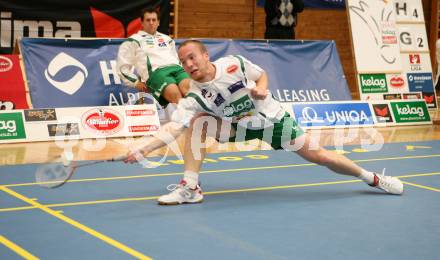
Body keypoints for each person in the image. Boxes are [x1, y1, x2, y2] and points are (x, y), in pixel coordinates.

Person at [124, 39, 404, 205]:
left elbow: (261, 75)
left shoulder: (233, 64)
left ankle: (374, 179)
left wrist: (261, 88)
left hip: (272, 120)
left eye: (192, 57)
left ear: (205, 56)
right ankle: (190, 187)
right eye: (183, 62)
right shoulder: (194, 95)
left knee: (319, 155)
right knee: (197, 124)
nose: (189, 65)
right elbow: (174, 126)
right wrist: (144, 149)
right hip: (237, 126)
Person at [117, 7, 190, 106]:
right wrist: (135, 82)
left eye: (154, 20)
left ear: (158, 22)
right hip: (157, 73)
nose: (151, 22)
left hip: (177, 69)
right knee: (177, 98)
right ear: (142, 23)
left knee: (191, 93)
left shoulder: (167, 39)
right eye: (148, 20)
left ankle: (198, 120)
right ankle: (186, 120)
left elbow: (177, 59)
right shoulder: (133, 41)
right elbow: (122, 67)